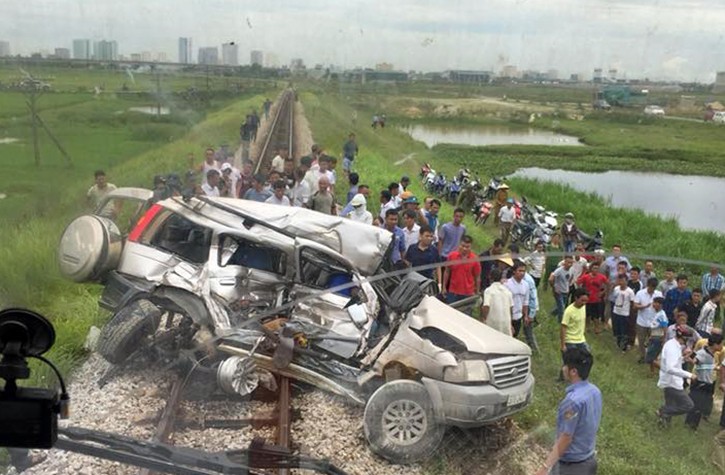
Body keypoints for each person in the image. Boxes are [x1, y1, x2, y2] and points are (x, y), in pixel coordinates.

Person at [536, 347, 601, 475]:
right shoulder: (595, 391)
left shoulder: (572, 402)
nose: (563, 368)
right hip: (589, 459)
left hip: (572, 467)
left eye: (565, 365)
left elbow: (566, 438)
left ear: (573, 371)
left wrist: (544, 468)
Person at [657, 325, 697, 428]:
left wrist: (683, 359)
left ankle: (663, 426)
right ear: (683, 337)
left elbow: (674, 363)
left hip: (672, 381)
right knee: (688, 405)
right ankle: (663, 411)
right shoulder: (672, 348)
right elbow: (670, 368)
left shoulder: (674, 346)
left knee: (671, 405)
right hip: (672, 382)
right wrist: (689, 375)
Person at [686, 333, 724, 428]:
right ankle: (690, 425)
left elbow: (706, 365)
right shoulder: (702, 353)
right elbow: (692, 359)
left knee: (701, 406)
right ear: (715, 344)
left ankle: (693, 426)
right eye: (721, 344)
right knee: (696, 405)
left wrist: (714, 368)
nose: (722, 346)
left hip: (707, 383)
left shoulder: (711, 353)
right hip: (700, 383)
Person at [442, 235, 481, 310]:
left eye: (467, 247)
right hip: (453, 292)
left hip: (468, 294)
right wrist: (444, 287)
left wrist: (477, 291)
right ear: (459, 244)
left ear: (470, 247)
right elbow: (447, 272)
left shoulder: (475, 259)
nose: (465, 249)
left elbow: (477, 277)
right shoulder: (452, 256)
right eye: (463, 246)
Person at [634, 277, 663, 364]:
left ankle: (652, 358)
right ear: (648, 285)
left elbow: (661, 307)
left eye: (654, 288)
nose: (652, 289)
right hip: (642, 322)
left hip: (654, 323)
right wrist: (644, 306)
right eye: (651, 287)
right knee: (641, 341)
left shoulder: (659, 294)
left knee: (654, 341)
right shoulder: (640, 293)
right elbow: (635, 305)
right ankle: (643, 356)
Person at [577, 262, 608, 334]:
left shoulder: (602, 277)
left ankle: (596, 328)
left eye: (597, 268)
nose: (596, 270)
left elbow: (608, 284)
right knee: (587, 314)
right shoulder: (586, 277)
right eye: (594, 268)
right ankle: (587, 327)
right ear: (591, 269)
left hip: (596, 299)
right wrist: (582, 293)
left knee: (596, 316)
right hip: (587, 300)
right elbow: (578, 282)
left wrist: (603, 292)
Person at [481, 268, 513, 335]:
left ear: (490, 277)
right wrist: (510, 323)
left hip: (493, 321)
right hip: (506, 321)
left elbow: (486, 306)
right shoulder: (507, 291)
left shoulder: (489, 291)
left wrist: (484, 318)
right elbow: (511, 308)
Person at [561, 289, 590, 362]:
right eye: (582, 300)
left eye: (586, 301)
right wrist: (563, 344)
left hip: (581, 339)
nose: (584, 303)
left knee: (587, 358)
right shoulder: (569, 311)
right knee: (572, 362)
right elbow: (563, 327)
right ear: (576, 298)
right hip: (570, 340)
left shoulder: (583, 307)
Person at [612, 273, 635, 352]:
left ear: (626, 281)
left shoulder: (630, 292)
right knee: (616, 329)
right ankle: (618, 344)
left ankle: (624, 347)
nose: (621, 282)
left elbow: (632, 303)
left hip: (624, 313)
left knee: (624, 331)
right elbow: (614, 298)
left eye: (623, 280)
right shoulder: (616, 289)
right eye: (619, 280)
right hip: (616, 311)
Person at [646, 297, 669, 372]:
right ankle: (652, 372)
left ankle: (666, 371)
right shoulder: (657, 313)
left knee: (650, 357)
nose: (654, 304)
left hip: (658, 337)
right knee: (653, 356)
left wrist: (664, 339)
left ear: (660, 305)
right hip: (654, 336)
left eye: (656, 303)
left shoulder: (662, 315)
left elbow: (665, 327)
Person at [550, 256, 574, 323]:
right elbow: (551, 279)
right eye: (568, 262)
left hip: (565, 291)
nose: (570, 264)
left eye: (571, 263)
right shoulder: (559, 270)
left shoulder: (572, 269)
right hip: (558, 291)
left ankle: (551, 314)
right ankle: (560, 322)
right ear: (564, 262)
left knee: (560, 306)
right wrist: (554, 288)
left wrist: (568, 286)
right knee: (562, 308)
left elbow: (571, 277)